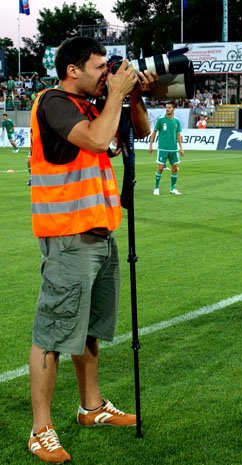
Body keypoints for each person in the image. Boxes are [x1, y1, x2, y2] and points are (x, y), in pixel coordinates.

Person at [28, 36, 155, 464]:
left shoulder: (93, 104)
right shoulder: (54, 102)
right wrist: (116, 93)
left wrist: (133, 96)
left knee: (90, 329)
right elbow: (99, 142)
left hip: (100, 231)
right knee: (53, 332)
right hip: (67, 235)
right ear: (72, 71)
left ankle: (92, 407)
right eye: (100, 67)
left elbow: (141, 131)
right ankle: (40, 429)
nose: (107, 73)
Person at [149, 102, 184, 195]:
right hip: (163, 149)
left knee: (175, 168)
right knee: (160, 168)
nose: (167, 109)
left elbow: (179, 135)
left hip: (173, 149)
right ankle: (156, 188)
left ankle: (173, 189)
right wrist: (150, 145)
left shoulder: (177, 121)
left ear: (173, 109)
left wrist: (181, 148)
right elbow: (154, 132)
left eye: (169, 107)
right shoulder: (160, 120)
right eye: (166, 107)